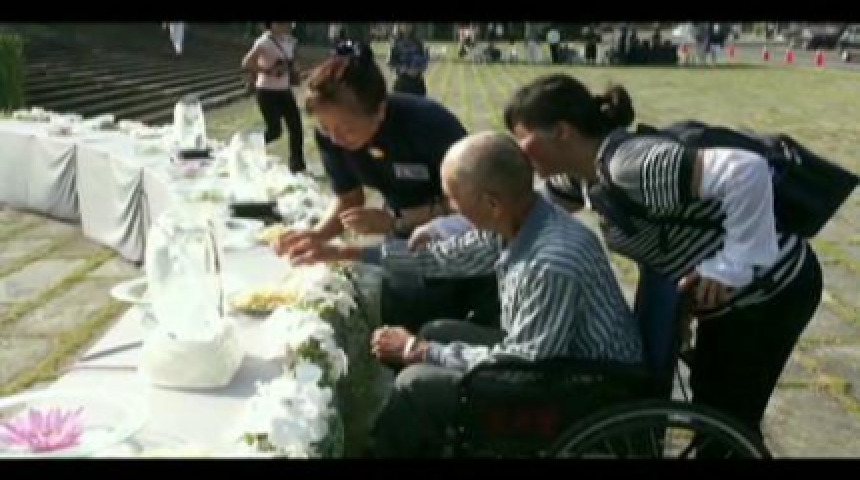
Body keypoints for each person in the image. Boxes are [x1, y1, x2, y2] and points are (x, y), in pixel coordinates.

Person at [504, 74, 823, 455]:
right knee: (713, 406)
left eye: (522, 139)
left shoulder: (630, 165)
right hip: (726, 301)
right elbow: (528, 211)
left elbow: (746, 171)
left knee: (730, 417)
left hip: (773, 292)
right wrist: (461, 215)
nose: (518, 153)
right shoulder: (583, 177)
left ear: (562, 132)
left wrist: (731, 265)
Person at [282, 131, 644, 457]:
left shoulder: (550, 263)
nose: (450, 209)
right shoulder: (520, 219)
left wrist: (419, 351)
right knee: (435, 330)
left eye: (454, 199)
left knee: (415, 384)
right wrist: (346, 252)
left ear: (492, 203)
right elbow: (445, 258)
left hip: (591, 386)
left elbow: (523, 365)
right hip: (555, 357)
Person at [274, 41, 500, 331]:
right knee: (399, 309)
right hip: (399, 233)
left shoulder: (428, 125)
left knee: (443, 321)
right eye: (326, 129)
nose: (337, 139)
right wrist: (318, 234)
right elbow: (348, 198)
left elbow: (476, 205)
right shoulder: (332, 138)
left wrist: (397, 221)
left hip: (462, 236)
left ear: (380, 110)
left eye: (347, 129)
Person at [241, 21, 306, 173]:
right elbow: (246, 63)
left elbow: (292, 62)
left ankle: (297, 165)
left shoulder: (289, 41)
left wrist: (293, 69)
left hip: (284, 91)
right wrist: (268, 70)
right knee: (274, 131)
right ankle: (249, 144)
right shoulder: (263, 42)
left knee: (296, 127)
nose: (287, 25)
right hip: (266, 91)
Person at [387, 23, 429, 96]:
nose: (406, 26)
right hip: (402, 85)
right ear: (399, 26)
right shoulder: (395, 43)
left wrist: (418, 69)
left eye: (409, 24)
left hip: (418, 84)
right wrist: (405, 70)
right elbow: (390, 63)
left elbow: (424, 61)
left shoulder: (418, 43)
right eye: (403, 24)